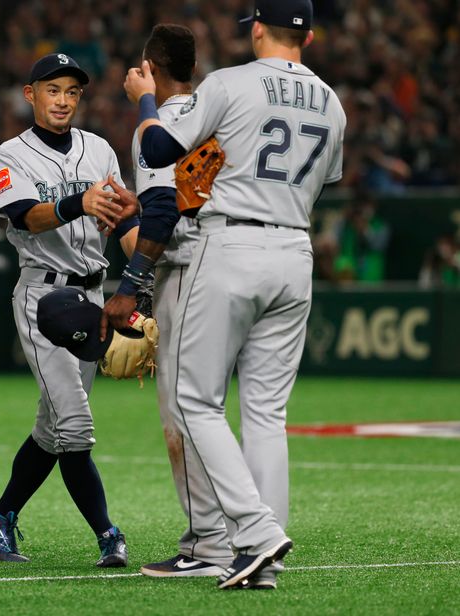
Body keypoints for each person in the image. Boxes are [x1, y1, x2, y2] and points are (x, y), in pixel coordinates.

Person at [103, 0, 346, 589]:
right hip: (294, 251)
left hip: (230, 245)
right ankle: (266, 557)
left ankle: (256, 535)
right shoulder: (333, 102)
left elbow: (161, 151)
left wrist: (143, 100)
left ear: (258, 28)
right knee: (267, 413)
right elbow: (327, 180)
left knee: (192, 400)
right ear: (308, 36)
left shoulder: (232, 82)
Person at [0, 52, 139, 567]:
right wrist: (78, 203)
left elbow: (123, 224)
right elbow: (24, 217)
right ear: (31, 95)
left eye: (72, 91)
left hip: (94, 295)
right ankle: (108, 534)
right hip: (43, 298)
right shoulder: (11, 154)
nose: (63, 100)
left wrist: (141, 281)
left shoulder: (99, 150)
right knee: (75, 425)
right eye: (53, 90)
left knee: (54, 428)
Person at [122, 24, 234, 581]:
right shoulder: (219, 111)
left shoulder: (159, 124)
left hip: (187, 272)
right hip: (231, 266)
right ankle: (235, 531)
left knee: (183, 412)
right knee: (215, 406)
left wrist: (128, 285)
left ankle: (208, 542)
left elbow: (164, 213)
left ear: (150, 65)